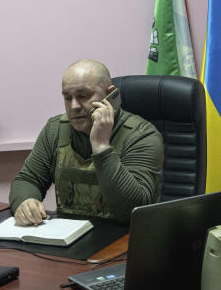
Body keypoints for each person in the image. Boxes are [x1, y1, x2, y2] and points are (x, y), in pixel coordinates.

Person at [9, 59, 163, 225]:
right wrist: (25, 202)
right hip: (69, 240)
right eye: (67, 98)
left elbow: (132, 211)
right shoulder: (55, 130)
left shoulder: (141, 135)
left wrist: (102, 147)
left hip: (122, 243)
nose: (74, 106)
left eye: (83, 96)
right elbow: (28, 179)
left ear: (109, 94)